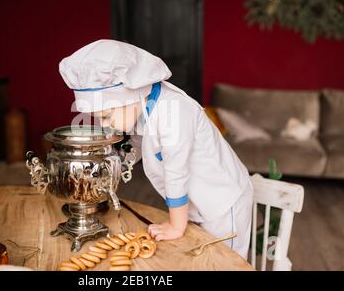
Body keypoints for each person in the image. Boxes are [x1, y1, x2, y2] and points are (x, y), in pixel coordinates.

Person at [59, 39, 253, 259]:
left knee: (224, 260)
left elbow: (176, 172)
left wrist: (176, 226)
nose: (104, 125)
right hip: (198, 203)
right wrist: (113, 166)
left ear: (128, 95)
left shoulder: (175, 111)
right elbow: (140, 144)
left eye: (106, 116)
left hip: (223, 201)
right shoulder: (144, 106)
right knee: (201, 257)